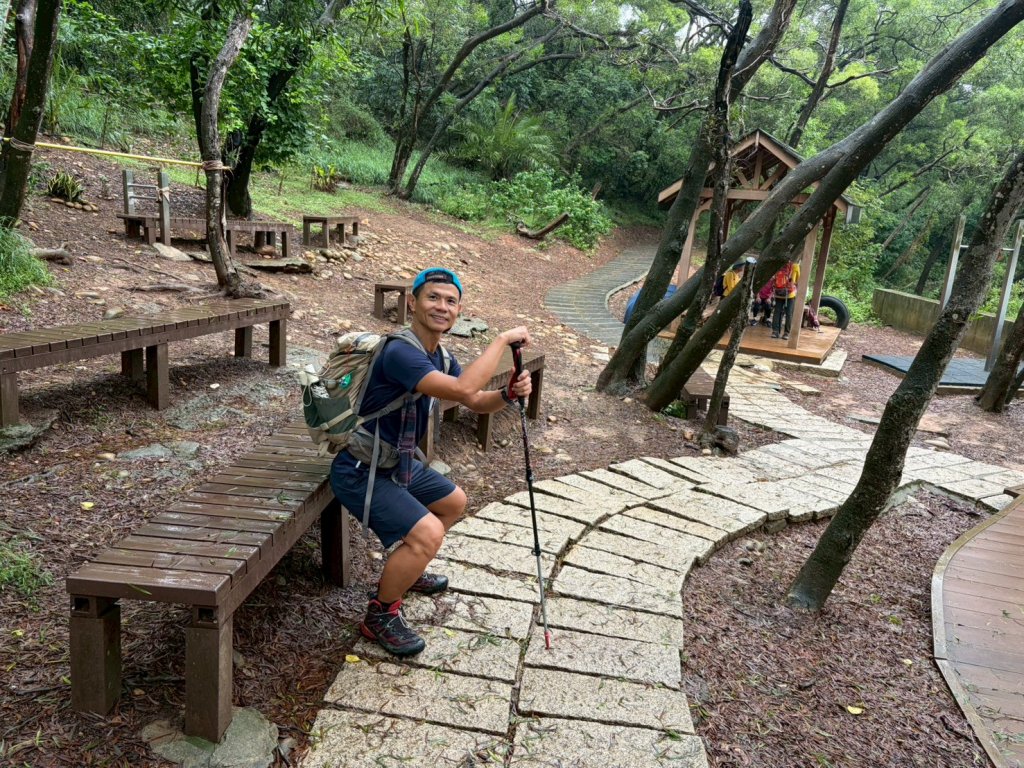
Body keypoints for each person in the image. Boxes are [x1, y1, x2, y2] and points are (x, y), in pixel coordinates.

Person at [330, 267, 532, 657]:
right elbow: (461, 388)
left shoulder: (438, 354)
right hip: (361, 470)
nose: (442, 306)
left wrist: (506, 394)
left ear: (458, 311)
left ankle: (407, 570)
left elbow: (474, 401)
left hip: (395, 463)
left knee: (453, 502)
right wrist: (503, 340)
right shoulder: (401, 352)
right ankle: (380, 616)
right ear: (413, 303)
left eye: (451, 301)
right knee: (428, 534)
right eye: (433, 297)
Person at [771, 261, 800, 340]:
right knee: (789, 313)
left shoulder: (778, 264)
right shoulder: (795, 266)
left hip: (778, 293)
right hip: (790, 294)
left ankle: (775, 331)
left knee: (777, 312)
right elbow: (798, 280)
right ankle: (786, 333)